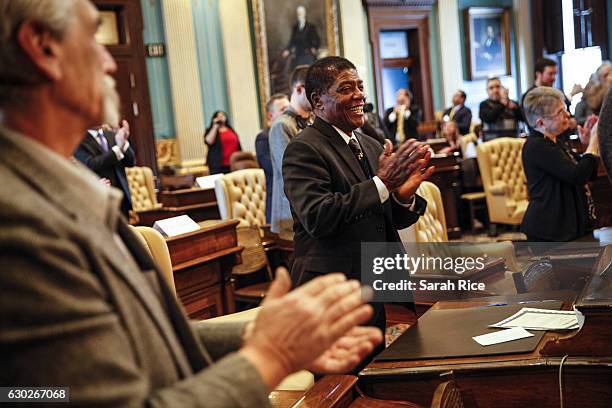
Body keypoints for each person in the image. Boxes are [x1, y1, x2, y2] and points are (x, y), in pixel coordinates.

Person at [0, 1, 384, 404]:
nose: (108, 62)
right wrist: (268, 357)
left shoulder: (56, 188)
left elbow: (143, 335)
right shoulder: (20, 222)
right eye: (92, 38)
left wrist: (255, 333)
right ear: (42, 48)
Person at [282, 56, 433, 356]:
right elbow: (318, 216)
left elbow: (384, 217)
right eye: (346, 88)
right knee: (342, 383)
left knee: (374, 371)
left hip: (374, 281)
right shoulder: (304, 148)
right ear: (318, 101)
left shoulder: (370, 144)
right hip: (333, 288)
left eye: (360, 87)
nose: (360, 95)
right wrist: (382, 185)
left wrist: (402, 196)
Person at [521, 87, 600, 242]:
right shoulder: (537, 146)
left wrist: (586, 145)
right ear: (541, 122)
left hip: (569, 225)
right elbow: (576, 176)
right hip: (550, 228)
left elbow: (588, 174)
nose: (567, 115)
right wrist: (594, 141)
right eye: (560, 112)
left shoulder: (556, 140)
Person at [269, 65, 312, 240]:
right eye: (313, 91)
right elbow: (291, 173)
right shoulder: (281, 125)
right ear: (299, 89)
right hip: (290, 217)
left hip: (309, 211)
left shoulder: (312, 121)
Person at [74, 119, 134, 217]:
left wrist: (125, 143)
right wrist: (118, 149)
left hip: (122, 198)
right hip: (100, 199)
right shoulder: (78, 139)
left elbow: (131, 162)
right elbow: (91, 164)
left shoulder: (111, 134)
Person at [255, 93, 290, 223]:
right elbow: (273, 168)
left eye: (289, 108)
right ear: (271, 116)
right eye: (283, 110)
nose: (288, 113)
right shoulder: (263, 138)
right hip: (278, 203)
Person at [282, 5, 320, 70]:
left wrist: (314, 47)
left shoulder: (311, 27)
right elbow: (292, 41)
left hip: (308, 54)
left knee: (309, 71)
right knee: (298, 72)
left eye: (301, 13)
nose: (300, 15)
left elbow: (317, 40)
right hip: (298, 54)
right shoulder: (295, 27)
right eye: (298, 13)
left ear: (304, 14)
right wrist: (287, 50)